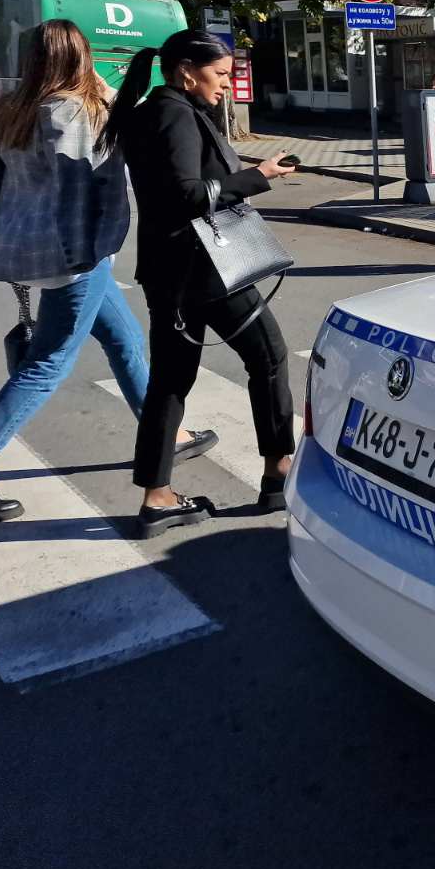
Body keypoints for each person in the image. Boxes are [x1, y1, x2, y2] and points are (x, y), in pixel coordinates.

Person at [0, 20, 214, 524]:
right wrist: (97, 250)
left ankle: (169, 435)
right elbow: (92, 186)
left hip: (39, 249)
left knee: (123, 339)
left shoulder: (7, 112)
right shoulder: (80, 113)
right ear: (82, 59)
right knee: (48, 361)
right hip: (77, 254)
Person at [103, 30, 299, 537]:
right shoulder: (174, 113)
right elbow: (188, 195)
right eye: (218, 75)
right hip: (206, 268)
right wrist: (259, 175)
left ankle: (156, 497)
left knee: (170, 381)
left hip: (169, 269)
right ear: (187, 70)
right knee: (270, 357)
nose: (225, 86)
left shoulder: (148, 112)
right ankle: (278, 470)